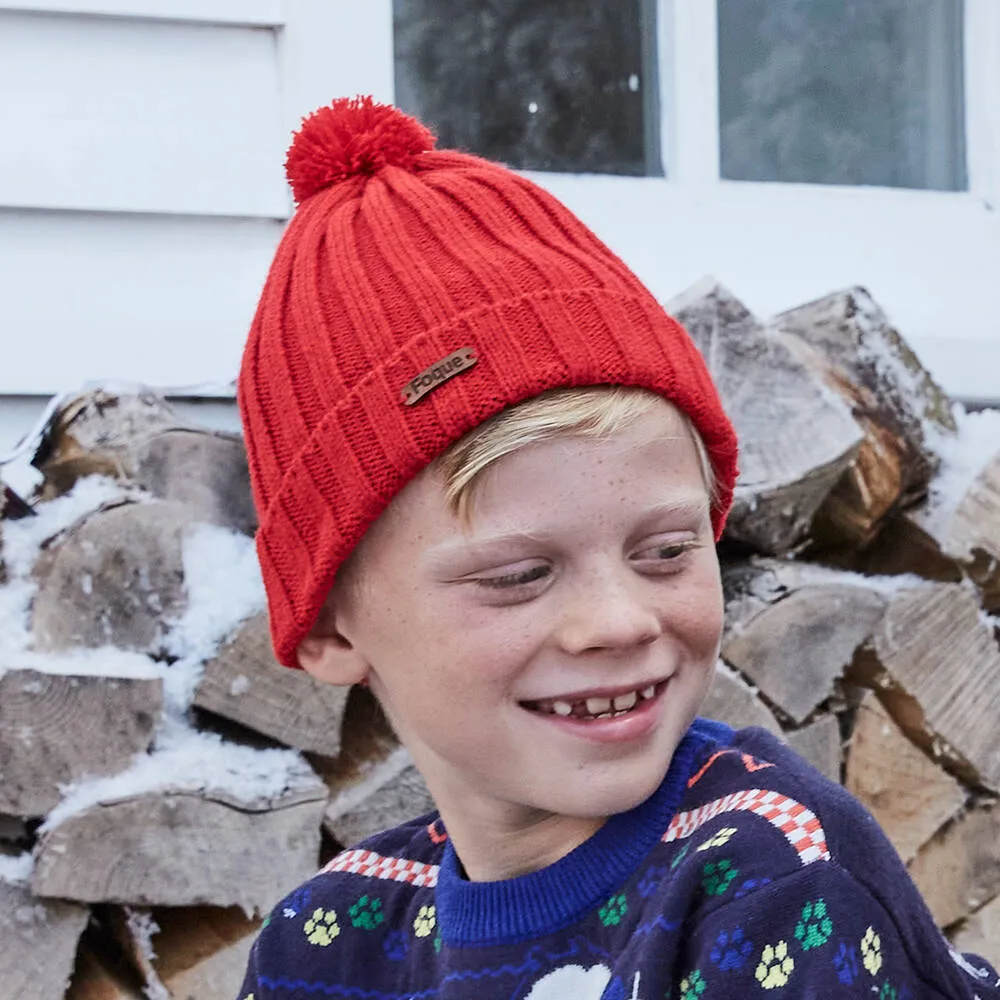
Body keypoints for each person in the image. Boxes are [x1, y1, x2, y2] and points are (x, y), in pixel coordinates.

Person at [235, 96, 998, 999]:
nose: (616, 621)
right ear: (329, 626)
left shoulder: (772, 879)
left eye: (667, 551)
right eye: (520, 574)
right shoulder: (325, 945)